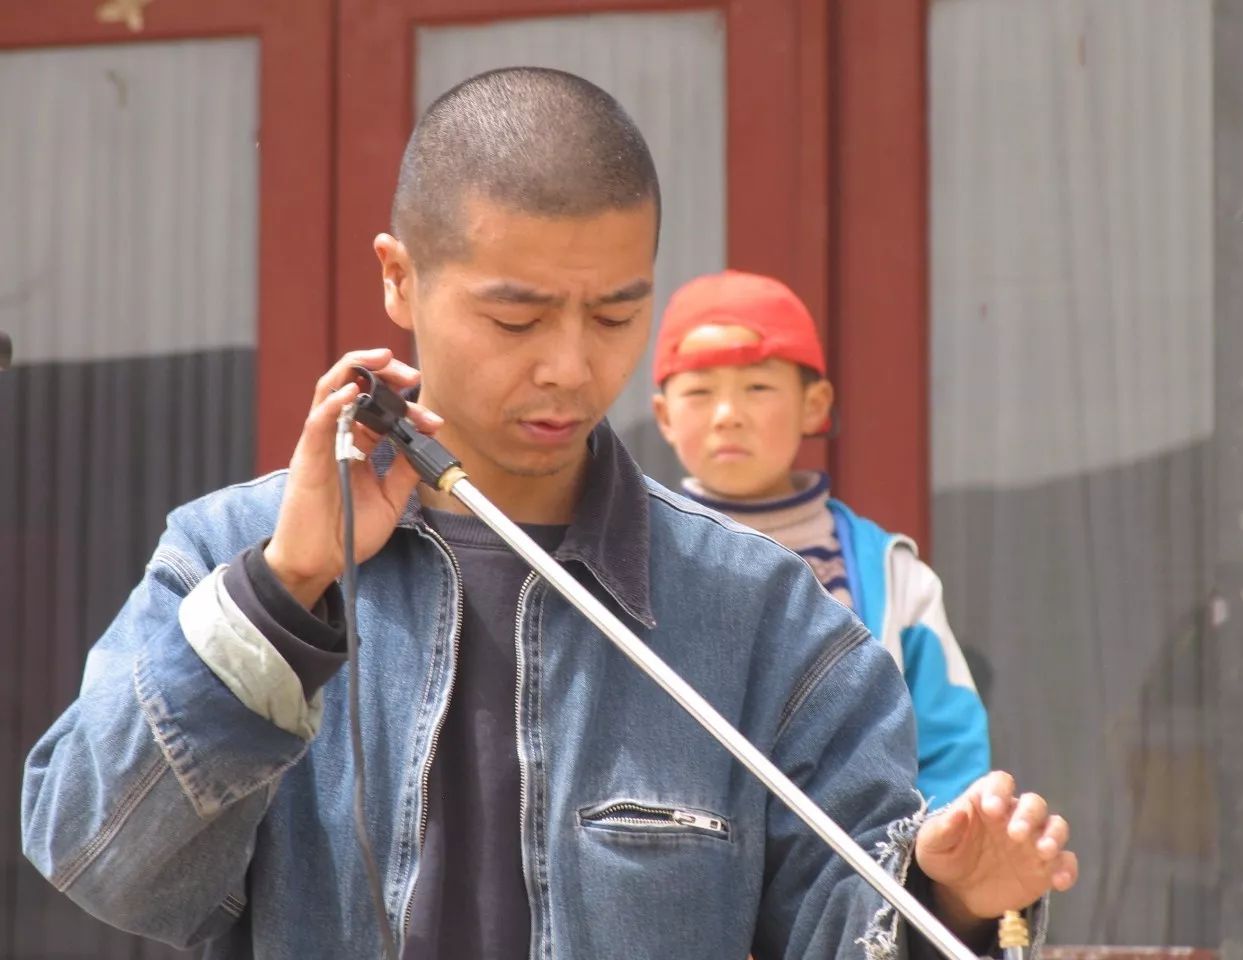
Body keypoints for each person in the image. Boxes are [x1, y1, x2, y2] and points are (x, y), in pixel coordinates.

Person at [21, 68, 1075, 959]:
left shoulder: (762, 616)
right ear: (399, 277)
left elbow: (844, 920)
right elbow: (96, 858)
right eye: (515, 315)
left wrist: (951, 903)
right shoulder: (228, 556)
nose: (570, 367)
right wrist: (281, 591)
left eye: (617, 313)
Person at [651, 270, 990, 807]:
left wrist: (936, 861)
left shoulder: (893, 576)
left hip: (858, 867)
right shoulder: (629, 554)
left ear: (815, 404)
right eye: (699, 392)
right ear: (664, 416)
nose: (727, 416)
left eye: (758, 388)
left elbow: (949, 750)